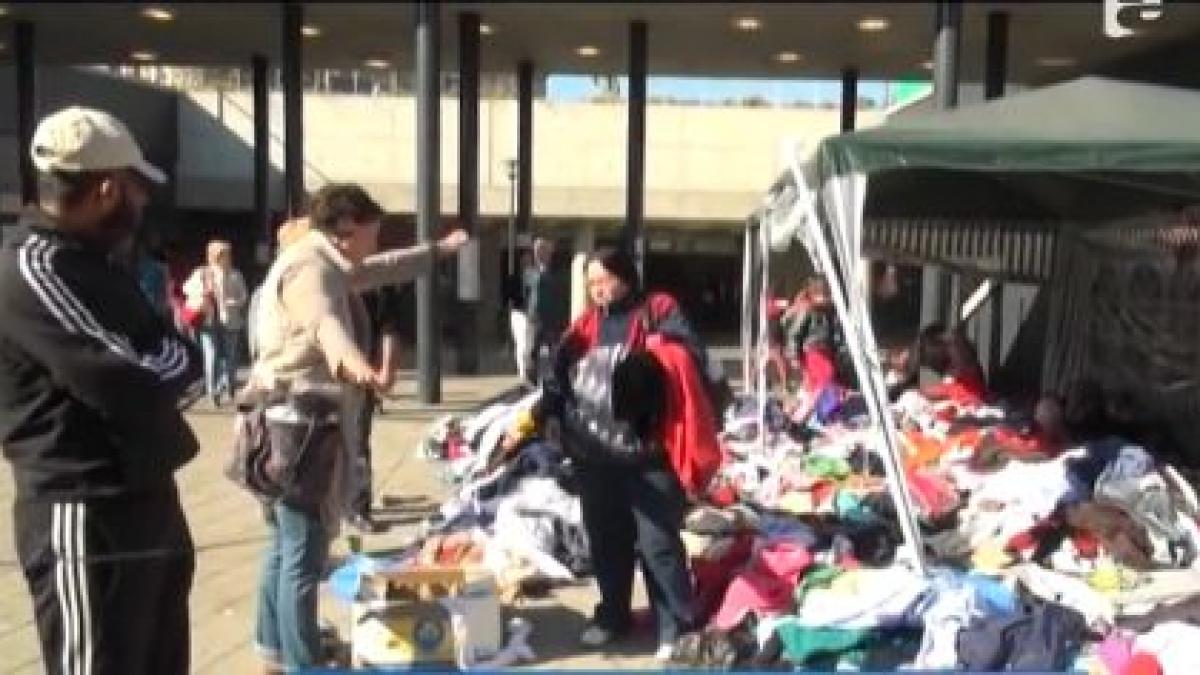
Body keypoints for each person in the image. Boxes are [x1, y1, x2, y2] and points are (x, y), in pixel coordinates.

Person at [0, 107, 202, 674]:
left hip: (145, 494)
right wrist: (159, 363)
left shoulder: (100, 265)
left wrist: (160, 363)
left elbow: (176, 355)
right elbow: (121, 381)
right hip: (84, 509)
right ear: (109, 188)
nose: (143, 203)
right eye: (137, 189)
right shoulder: (33, 269)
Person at [245, 183, 468, 672]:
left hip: (281, 425)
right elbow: (326, 325)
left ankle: (273, 652)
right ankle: (304, 664)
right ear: (346, 231)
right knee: (303, 555)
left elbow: (377, 269)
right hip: (300, 430)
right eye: (372, 232)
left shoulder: (323, 258)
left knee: (283, 548)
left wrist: (437, 252)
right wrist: (362, 371)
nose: (375, 241)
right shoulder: (311, 270)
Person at [548, 247, 713, 661]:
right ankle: (612, 616)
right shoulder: (584, 326)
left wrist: (655, 355)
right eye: (591, 284)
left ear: (626, 276)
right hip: (594, 457)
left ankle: (675, 624)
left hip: (648, 456)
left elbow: (691, 354)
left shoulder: (657, 309)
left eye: (604, 280)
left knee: (658, 542)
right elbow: (557, 382)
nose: (598, 290)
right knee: (606, 542)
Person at [344, 283, 403, 534]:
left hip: (360, 378)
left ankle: (357, 507)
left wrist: (386, 370)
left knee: (357, 443)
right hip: (325, 377)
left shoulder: (374, 285)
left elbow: (387, 328)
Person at [184, 239, 248, 407]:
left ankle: (230, 387)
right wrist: (201, 291)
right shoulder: (202, 273)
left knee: (231, 357)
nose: (226, 258)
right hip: (208, 320)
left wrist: (232, 302)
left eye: (227, 254)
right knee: (210, 356)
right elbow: (186, 288)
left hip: (231, 320)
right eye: (222, 255)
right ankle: (213, 392)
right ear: (213, 256)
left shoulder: (235, 274)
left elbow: (243, 296)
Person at [781, 275, 850, 422]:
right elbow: (795, 333)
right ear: (814, 294)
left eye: (828, 295)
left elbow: (836, 334)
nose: (826, 299)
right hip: (813, 351)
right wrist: (793, 354)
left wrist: (840, 351)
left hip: (826, 351)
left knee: (812, 385)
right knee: (825, 381)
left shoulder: (831, 312)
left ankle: (797, 412)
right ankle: (803, 414)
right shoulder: (808, 310)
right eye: (823, 295)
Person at [524, 237, 567, 383]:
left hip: (554, 320)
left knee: (556, 354)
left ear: (550, 251)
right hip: (534, 320)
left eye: (542, 249)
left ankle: (557, 384)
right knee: (530, 353)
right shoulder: (529, 271)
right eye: (536, 249)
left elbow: (564, 296)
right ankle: (531, 383)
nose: (538, 252)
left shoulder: (560, 273)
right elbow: (525, 293)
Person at [507, 250, 535, 382]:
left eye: (529, 260)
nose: (527, 263)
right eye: (525, 261)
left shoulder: (536, 277)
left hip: (532, 314)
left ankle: (528, 368)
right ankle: (522, 372)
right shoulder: (514, 278)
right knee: (522, 343)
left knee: (530, 344)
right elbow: (509, 296)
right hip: (519, 313)